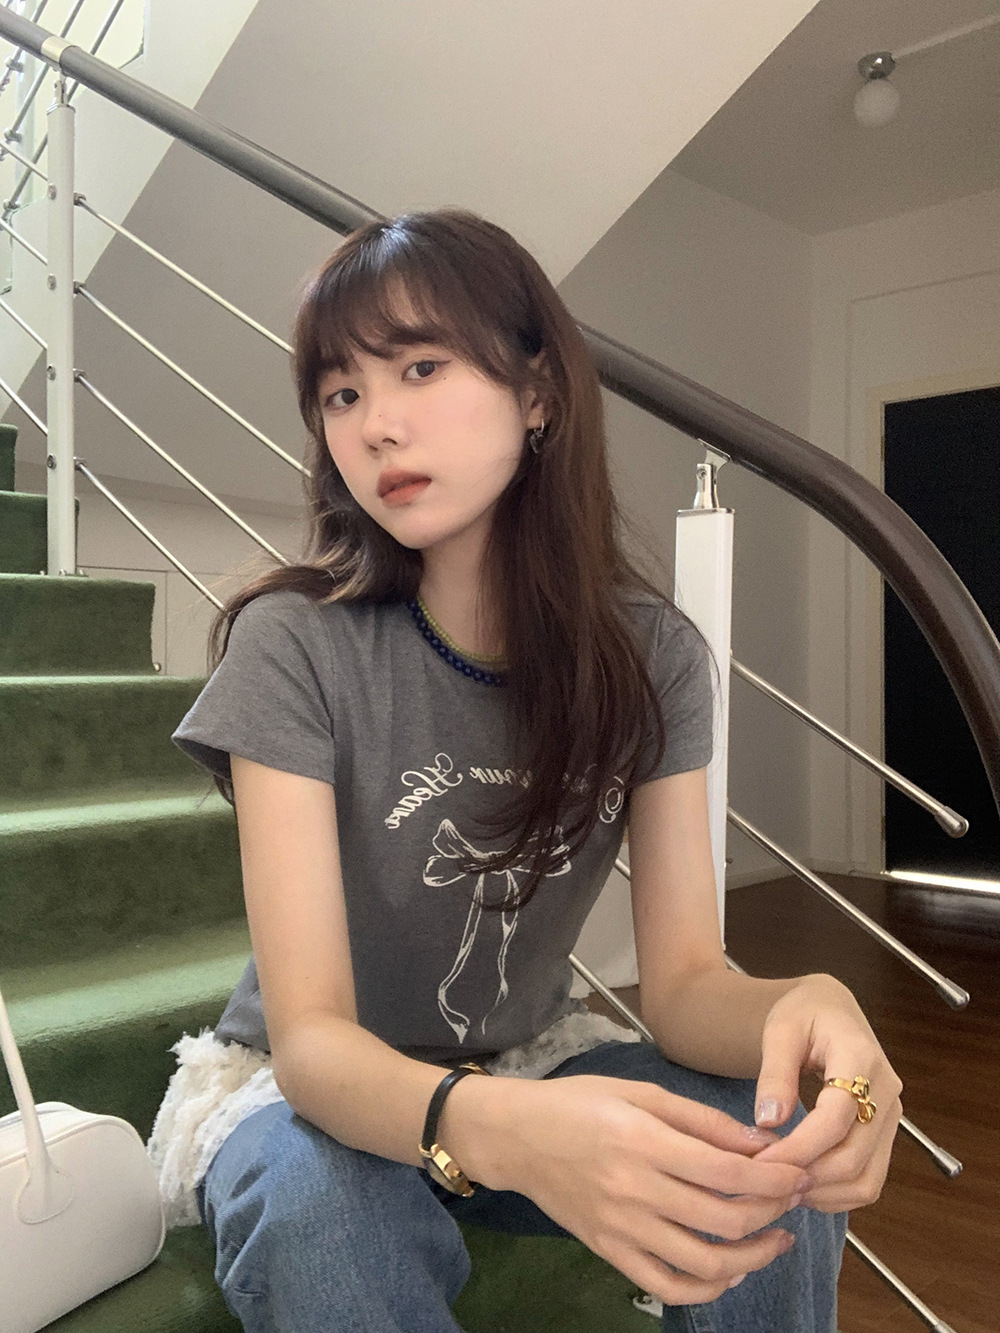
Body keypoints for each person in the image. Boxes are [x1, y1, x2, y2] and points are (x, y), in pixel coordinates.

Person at [151, 207, 902, 1333]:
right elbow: (311, 1041)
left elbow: (685, 984)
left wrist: (809, 1002)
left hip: (526, 1056)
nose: (376, 425)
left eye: (420, 366)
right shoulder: (294, 644)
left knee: (772, 1146)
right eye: (341, 393)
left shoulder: (650, 657)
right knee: (320, 1213)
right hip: (310, 1086)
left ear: (538, 393)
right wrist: (503, 1129)